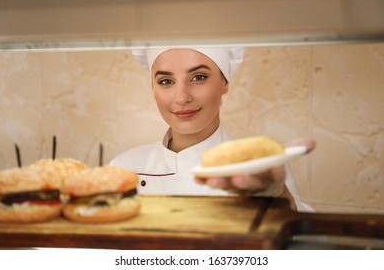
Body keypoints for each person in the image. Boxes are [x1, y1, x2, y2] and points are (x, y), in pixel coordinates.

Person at [110, 46, 316, 212]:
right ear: (153, 89)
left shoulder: (260, 167)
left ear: (224, 82)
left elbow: (302, 248)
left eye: (198, 77)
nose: (182, 98)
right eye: (166, 81)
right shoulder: (123, 167)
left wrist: (279, 195)